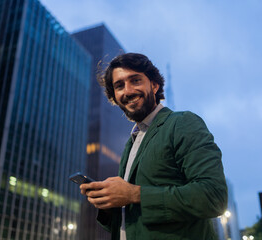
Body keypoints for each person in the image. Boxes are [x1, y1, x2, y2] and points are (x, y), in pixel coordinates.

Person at [80, 53, 228, 240]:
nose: (128, 91)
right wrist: (110, 204)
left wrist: (134, 194)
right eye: (119, 86)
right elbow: (136, 221)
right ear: (115, 97)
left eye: (135, 80)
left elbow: (213, 197)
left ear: (154, 85)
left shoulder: (183, 122)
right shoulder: (131, 143)